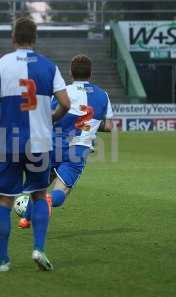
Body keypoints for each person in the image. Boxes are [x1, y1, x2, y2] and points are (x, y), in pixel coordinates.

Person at [0, 17, 70, 272]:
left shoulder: (1, 64)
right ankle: (38, 249)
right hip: (40, 142)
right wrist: (51, 118)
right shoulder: (49, 67)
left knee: (4, 200)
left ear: (13, 37)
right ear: (35, 39)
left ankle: (3, 261)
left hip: (9, 143)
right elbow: (66, 103)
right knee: (39, 194)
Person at [18, 54, 114, 229]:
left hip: (55, 145)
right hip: (78, 149)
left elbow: (49, 115)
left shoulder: (64, 92)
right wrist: (90, 126)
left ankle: (26, 219)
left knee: (40, 184)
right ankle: (49, 200)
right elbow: (108, 126)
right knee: (61, 190)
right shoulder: (103, 95)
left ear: (70, 72)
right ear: (90, 73)